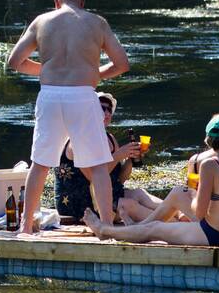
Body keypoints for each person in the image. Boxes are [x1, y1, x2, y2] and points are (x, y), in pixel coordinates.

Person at [7, 0, 131, 233]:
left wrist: (45, 70)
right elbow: (122, 64)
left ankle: (26, 226)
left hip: (50, 95)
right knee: (97, 165)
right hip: (83, 95)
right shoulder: (96, 22)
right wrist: (96, 74)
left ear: (56, 1)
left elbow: (15, 61)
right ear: (82, 1)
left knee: (40, 163)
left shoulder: (42, 21)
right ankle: (107, 226)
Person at [84, 114, 219, 247]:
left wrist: (194, 192)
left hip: (216, 235)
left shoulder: (209, 164)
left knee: (155, 228)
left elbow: (199, 213)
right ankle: (133, 229)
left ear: (209, 140)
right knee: (178, 192)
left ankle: (104, 230)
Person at [54, 92, 160, 223]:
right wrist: (118, 155)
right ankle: (174, 224)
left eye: (109, 109)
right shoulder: (78, 139)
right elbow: (94, 178)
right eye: (101, 108)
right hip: (78, 204)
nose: (107, 113)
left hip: (104, 196)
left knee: (138, 193)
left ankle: (180, 215)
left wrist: (130, 159)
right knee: (128, 205)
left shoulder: (109, 139)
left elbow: (118, 180)